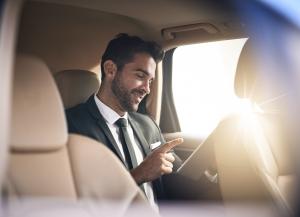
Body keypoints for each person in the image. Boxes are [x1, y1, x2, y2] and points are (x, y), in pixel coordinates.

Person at [66, 33, 183, 206]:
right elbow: (80, 199)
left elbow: (180, 174)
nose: (147, 89)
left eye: (150, 81)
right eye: (140, 76)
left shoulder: (147, 124)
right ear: (110, 69)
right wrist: (139, 174)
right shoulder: (70, 125)